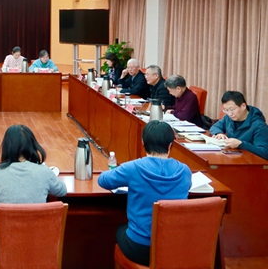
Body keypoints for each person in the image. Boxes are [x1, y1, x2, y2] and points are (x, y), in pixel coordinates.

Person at [98, 121, 192, 266]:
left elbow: (103, 180)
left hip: (140, 249)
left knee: (120, 229)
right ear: (170, 145)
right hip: (173, 247)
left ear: (143, 142)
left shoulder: (133, 168)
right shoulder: (185, 171)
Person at [0, 124, 67, 256]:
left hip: (2, 249)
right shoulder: (43, 171)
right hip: (37, 248)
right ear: (32, 145)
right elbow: (62, 190)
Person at [210, 91, 268, 159]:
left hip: (249, 162)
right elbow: (215, 127)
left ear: (243, 106)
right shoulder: (228, 118)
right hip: (231, 157)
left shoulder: (259, 126)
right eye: (226, 110)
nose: (230, 114)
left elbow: (264, 153)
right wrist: (218, 133)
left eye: (232, 109)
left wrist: (241, 144)